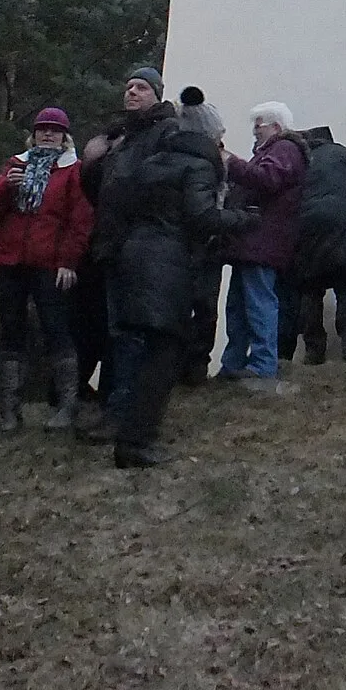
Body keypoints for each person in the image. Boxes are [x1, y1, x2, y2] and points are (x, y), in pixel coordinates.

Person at [94, 102, 256, 465]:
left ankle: (126, 431)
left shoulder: (152, 162)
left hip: (133, 260)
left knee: (140, 351)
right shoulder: (198, 166)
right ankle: (135, 443)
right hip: (166, 266)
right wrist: (243, 220)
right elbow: (201, 217)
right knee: (164, 354)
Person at [76, 66, 179, 435]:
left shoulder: (166, 132)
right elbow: (102, 193)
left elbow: (158, 186)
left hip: (144, 247)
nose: (131, 92)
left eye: (140, 87)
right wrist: (92, 164)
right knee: (116, 332)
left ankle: (126, 414)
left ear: (156, 94)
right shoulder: (120, 136)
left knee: (133, 334)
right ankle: (115, 408)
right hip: (114, 245)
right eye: (128, 87)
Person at [0, 107, 93, 433]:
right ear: (33, 133)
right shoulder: (16, 165)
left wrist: (69, 262)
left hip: (49, 262)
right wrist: (6, 187)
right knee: (11, 331)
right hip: (9, 260)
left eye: (54, 131)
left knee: (56, 329)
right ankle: (9, 411)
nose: (48, 134)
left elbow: (80, 221)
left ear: (64, 136)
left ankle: (66, 405)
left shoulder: (73, 170)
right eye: (43, 129)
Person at [219, 103, 307, 383]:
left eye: (259, 125)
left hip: (261, 241)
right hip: (254, 242)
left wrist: (230, 162)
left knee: (257, 303)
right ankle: (235, 363)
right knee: (240, 305)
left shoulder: (283, 150)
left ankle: (261, 363)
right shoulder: (279, 151)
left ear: (276, 127)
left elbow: (267, 179)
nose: (255, 131)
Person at [282, 126, 346, 366]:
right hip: (341, 225)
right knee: (345, 286)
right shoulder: (344, 154)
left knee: (310, 290)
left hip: (307, 227)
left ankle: (314, 350)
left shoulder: (300, 159)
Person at [175, 88, 230, 386]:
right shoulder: (210, 161)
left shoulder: (171, 154)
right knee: (202, 306)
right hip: (203, 239)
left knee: (194, 305)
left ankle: (189, 365)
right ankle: (194, 365)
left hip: (191, 242)